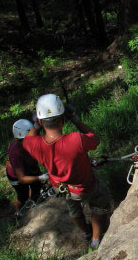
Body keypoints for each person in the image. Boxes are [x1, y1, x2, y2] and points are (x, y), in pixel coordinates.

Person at [23, 94, 110, 250]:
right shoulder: (76, 139)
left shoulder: (35, 145)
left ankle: (86, 232)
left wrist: (36, 125)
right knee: (100, 203)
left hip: (63, 188)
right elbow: (94, 139)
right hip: (85, 186)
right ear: (62, 119)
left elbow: (27, 139)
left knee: (73, 209)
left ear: (42, 121)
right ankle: (96, 239)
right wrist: (75, 119)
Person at [6, 119, 49, 215]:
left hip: (30, 167)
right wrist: (40, 177)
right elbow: (22, 178)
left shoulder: (27, 141)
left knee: (36, 187)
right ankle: (18, 212)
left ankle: (34, 202)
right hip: (17, 176)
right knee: (23, 196)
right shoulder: (16, 153)